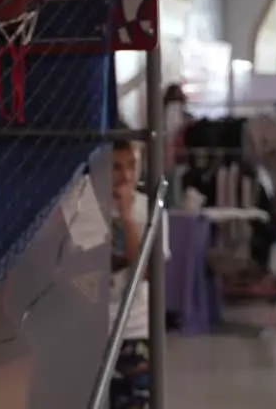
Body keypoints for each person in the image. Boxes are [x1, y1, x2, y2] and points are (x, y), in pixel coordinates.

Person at [109, 140, 169, 409]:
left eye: (131, 166)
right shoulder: (86, 207)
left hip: (135, 329)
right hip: (94, 331)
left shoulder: (150, 211)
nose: (126, 176)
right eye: (116, 167)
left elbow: (144, 271)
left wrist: (126, 216)